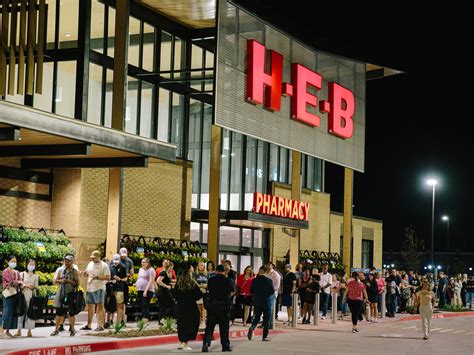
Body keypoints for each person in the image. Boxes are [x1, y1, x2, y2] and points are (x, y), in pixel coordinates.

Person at [202, 264, 235, 352]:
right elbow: (232, 291)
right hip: (224, 307)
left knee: (209, 327)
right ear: (225, 271)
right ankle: (225, 346)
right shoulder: (229, 281)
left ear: (216, 271)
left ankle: (206, 343)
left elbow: (209, 290)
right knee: (224, 328)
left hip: (213, 306)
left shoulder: (211, 280)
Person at [175, 265, 203, 351]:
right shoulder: (192, 283)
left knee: (181, 324)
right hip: (190, 307)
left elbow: (174, 295)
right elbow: (198, 295)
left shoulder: (178, 283)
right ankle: (185, 343)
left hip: (180, 306)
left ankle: (181, 342)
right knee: (191, 324)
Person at [81, 250, 111, 331]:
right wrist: (84, 273)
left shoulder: (104, 265)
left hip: (99, 288)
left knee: (100, 306)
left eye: (94, 258)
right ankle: (89, 324)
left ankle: (101, 325)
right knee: (90, 306)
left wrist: (97, 277)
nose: (92, 259)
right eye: (91, 258)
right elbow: (87, 273)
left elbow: (108, 277)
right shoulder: (90, 264)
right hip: (90, 287)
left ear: (98, 257)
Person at [51, 254, 79, 336]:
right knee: (59, 312)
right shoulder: (60, 270)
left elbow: (77, 283)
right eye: (65, 260)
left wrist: (69, 281)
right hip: (61, 293)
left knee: (71, 312)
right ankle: (56, 329)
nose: (66, 262)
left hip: (71, 294)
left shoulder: (75, 271)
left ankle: (72, 329)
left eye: (68, 261)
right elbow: (54, 281)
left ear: (72, 261)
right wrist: (62, 281)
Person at [247, 265, 274, 342]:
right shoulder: (269, 281)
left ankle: (252, 327)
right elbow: (272, 291)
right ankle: (264, 336)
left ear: (260, 270)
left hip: (257, 301)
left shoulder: (255, 280)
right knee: (266, 319)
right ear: (266, 272)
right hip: (266, 302)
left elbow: (251, 290)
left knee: (257, 317)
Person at [16, 259, 39, 337]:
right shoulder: (22, 274)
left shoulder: (36, 276)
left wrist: (26, 285)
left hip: (31, 297)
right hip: (22, 296)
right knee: (21, 313)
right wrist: (22, 284)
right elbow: (18, 283)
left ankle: (29, 331)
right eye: (30, 264)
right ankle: (19, 330)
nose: (31, 266)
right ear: (26, 264)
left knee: (30, 313)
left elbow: (35, 287)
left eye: (33, 264)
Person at [2, 255, 22, 338]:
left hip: (15, 294)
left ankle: (8, 331)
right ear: (8, 262)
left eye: (15, 261)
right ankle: (2, 330)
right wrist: (17, 282)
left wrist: (17, 282)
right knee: (7, 312)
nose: (13, 263)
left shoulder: (17, 272)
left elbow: (19, 281)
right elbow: (10, 282)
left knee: (12, 313)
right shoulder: (5, 271)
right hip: (8, 294)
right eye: (12, 261)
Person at [107, 254, 127, 328]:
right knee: (110, 306)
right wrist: (111, 280)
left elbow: (126, 278)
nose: (115, 263)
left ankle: (118, 323)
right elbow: (107, 278)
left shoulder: (122, 267)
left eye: (117, 262)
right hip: (111, 289)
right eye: (114, 261)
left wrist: (120, 279)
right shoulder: (110, 267)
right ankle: (108, 321)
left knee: (119, 305)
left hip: (119, 289)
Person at [136, 258, 155, 322]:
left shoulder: (151, 270)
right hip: (140, 289)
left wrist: (146, 291)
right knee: (142, 304)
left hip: (148, 290)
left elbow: (151, 281)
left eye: (144, 262)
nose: (142, 263)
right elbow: (139, 278)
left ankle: (145, 318)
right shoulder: (140, 269)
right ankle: (146, 318)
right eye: (142, 262)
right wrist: (136, 284)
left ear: (148, 263)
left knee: (145, 304)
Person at [195, 261, 208, 327]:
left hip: (204, 292)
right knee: (198, 307)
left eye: (202, 266)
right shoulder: (195, 274)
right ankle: (199, 320)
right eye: (200, 265)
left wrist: (206, 285)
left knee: (204, 307)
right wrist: (199, 286)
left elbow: (209, 282)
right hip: (197, 292)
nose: (201, 267)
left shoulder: (206, 274)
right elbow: (194, 282)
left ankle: (203, 321)